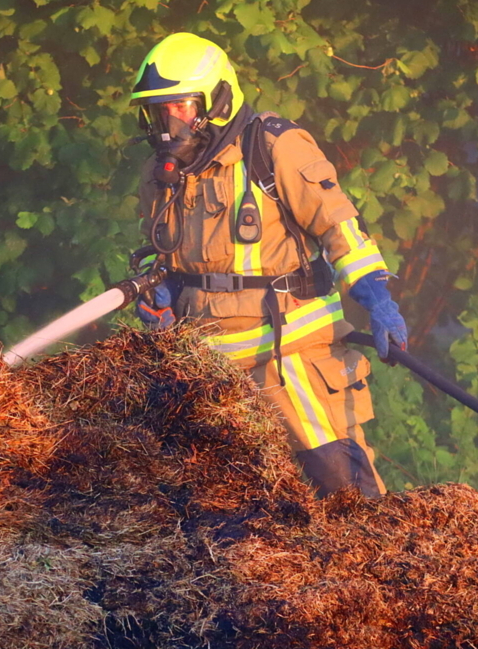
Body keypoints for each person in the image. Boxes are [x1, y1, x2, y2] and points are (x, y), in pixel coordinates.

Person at [130, 32, 408, 498]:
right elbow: (166, 253)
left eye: (180, 107)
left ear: (216, 100)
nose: (167, 124)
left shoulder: (274, 146)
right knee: (228, 515)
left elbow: (340, 229)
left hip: (291, 359)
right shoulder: (159, 177)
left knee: (345, 492)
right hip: (208, 371)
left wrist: (376, 297)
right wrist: (161, 298)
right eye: (158, 110)